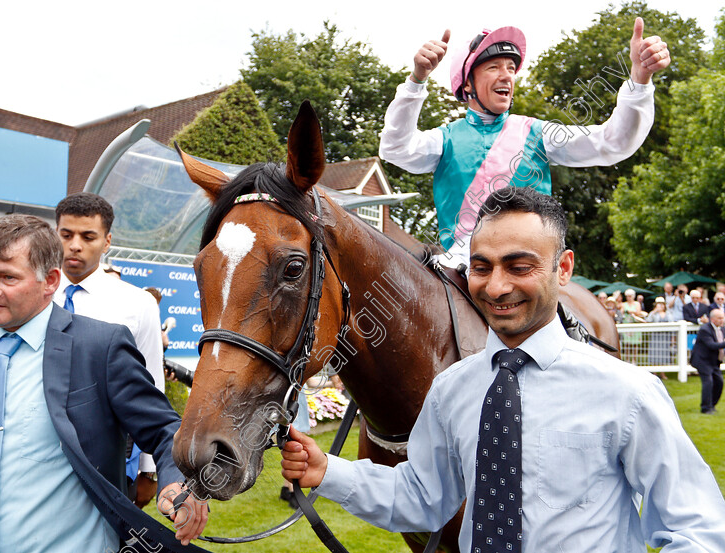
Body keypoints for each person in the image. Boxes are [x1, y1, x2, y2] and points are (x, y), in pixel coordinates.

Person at [281, 187, 725, 551]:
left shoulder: (629, 393)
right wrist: (327, 470)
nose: (496, 286)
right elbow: (423, 497)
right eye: (481, 267)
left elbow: (697, 529)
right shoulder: (451, 390)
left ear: (563, 268)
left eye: (519, 266)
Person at [0, 215, 208, 553]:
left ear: (49, 281)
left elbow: (164, 430)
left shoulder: (99, 347)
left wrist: (176, 482)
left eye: (8, 277)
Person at [379, 19, 670, 266]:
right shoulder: (444, 139)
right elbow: (395, 148)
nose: (507, 75)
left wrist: (640, 77)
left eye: (510, 67)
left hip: (531, 262)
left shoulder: (539, 133)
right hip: (463, 265)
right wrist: (417, 79)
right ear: (467, 84)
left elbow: (614, 142)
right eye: (494, 67)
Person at [53, 192, 166, 509]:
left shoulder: (137, 303)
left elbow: (151, 383)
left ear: (107, 242)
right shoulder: (35, 295)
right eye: (66, 235)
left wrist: (150, 467)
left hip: (112, 456)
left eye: (88, 236)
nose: (75, 245)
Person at [690, 308, 725, 415]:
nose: (722, 320)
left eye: (723, 318)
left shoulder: (722, 329)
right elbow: (712, 345)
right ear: (712, 319)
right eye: (719, 318)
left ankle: (712, 405)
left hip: (714, 361)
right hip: (702, 360)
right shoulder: (705, 329)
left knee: (719, 382)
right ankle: (705, 408)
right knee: (708, 382)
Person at [645, 297, 672, 379]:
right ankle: (654, 372)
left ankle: (662, 373)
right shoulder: (653, 313)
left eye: (662, 304)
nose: (660, 306)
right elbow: (648, 320)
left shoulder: (668, 313)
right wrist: (654, 312)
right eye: (658, 304)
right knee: (655, 353)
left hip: (665, 337)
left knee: (663, 354)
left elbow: (671, 322)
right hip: (655, 336)